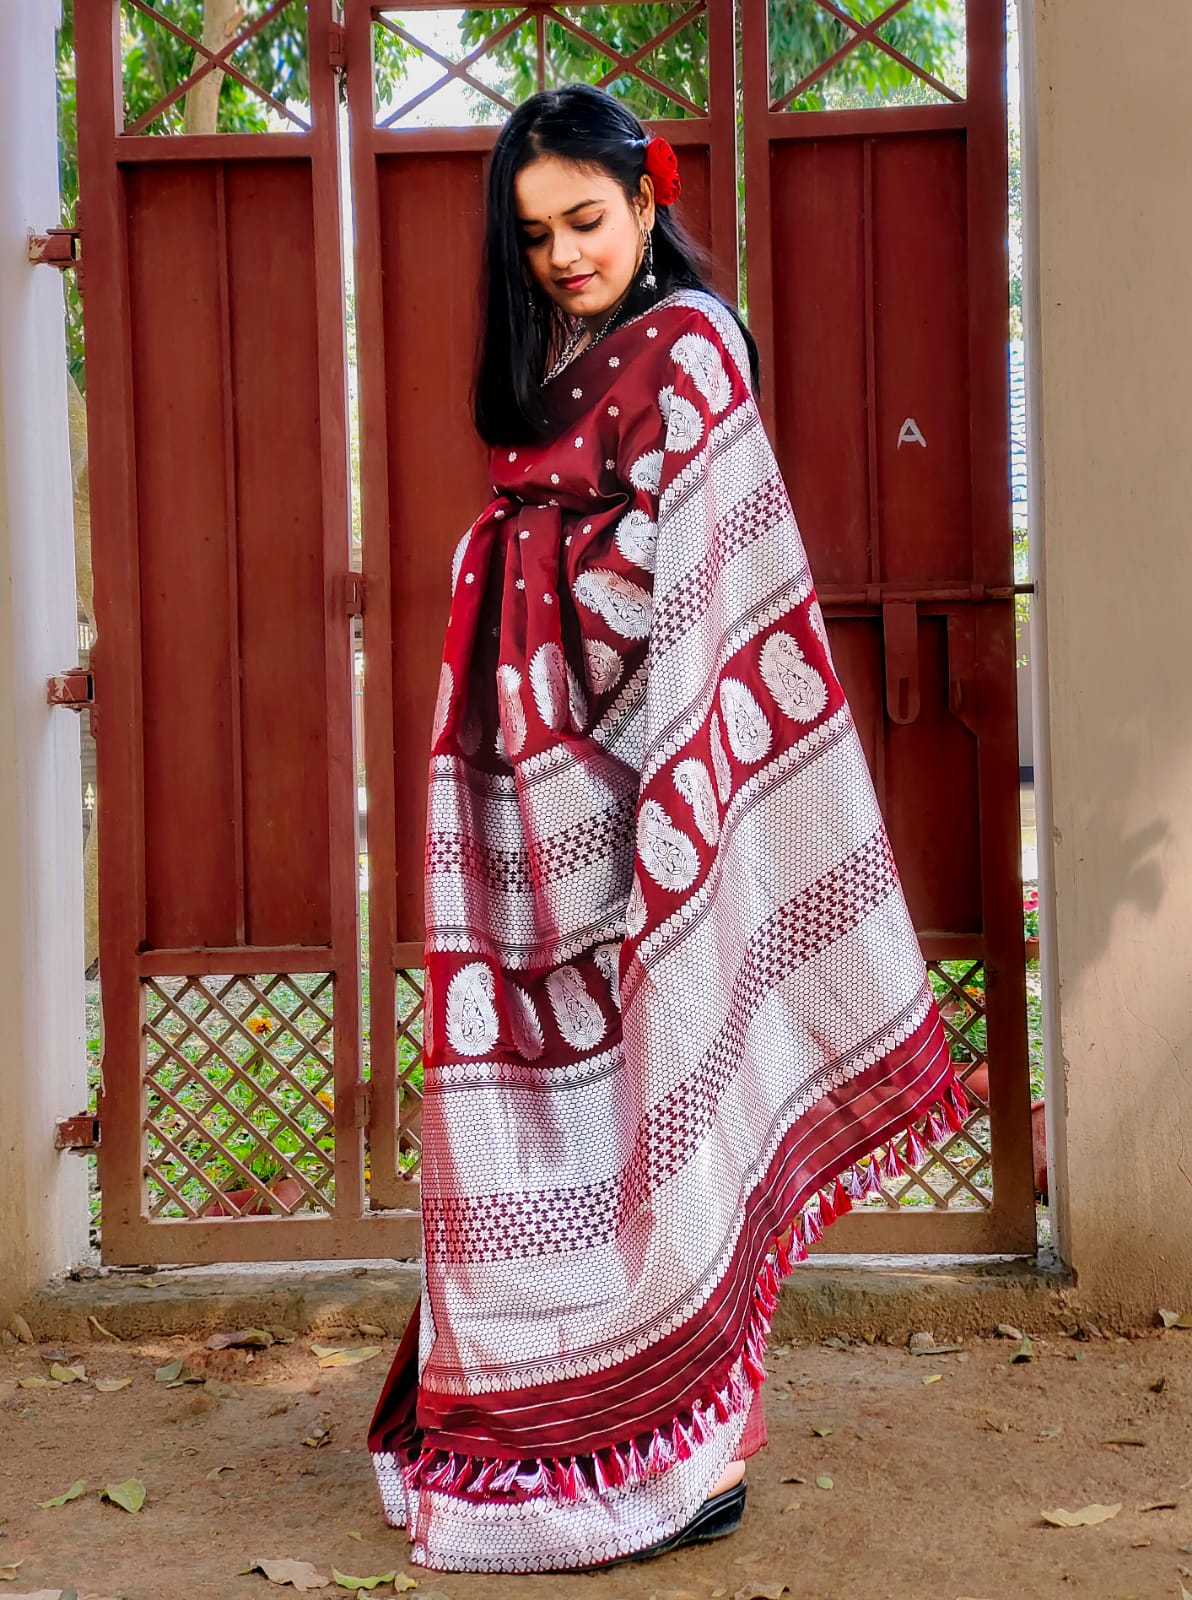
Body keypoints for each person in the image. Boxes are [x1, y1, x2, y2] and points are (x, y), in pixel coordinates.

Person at [368, 81, 966, 1576]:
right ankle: (590, 1420)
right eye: (536, 235)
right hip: (536, 793)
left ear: (650, 201)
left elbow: (705, 574)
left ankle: (703, 1447)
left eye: (586, 219)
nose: (565, 254)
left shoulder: (692, 346)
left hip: (664, 767)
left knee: (681, 1069)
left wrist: (565, 620)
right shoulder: (560, 355)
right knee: (573, 1108)